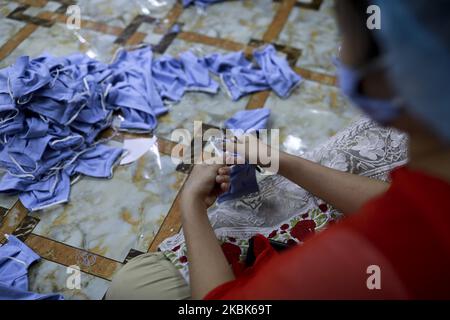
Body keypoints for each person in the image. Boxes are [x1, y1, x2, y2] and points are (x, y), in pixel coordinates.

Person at [106, 0, 450, 299]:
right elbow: (398, 205)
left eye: (350, 36)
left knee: (134, 287)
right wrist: (279, 160)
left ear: (394, 75)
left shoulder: (352, 263)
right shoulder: (429, 194)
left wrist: (191, 205)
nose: (341, 52)